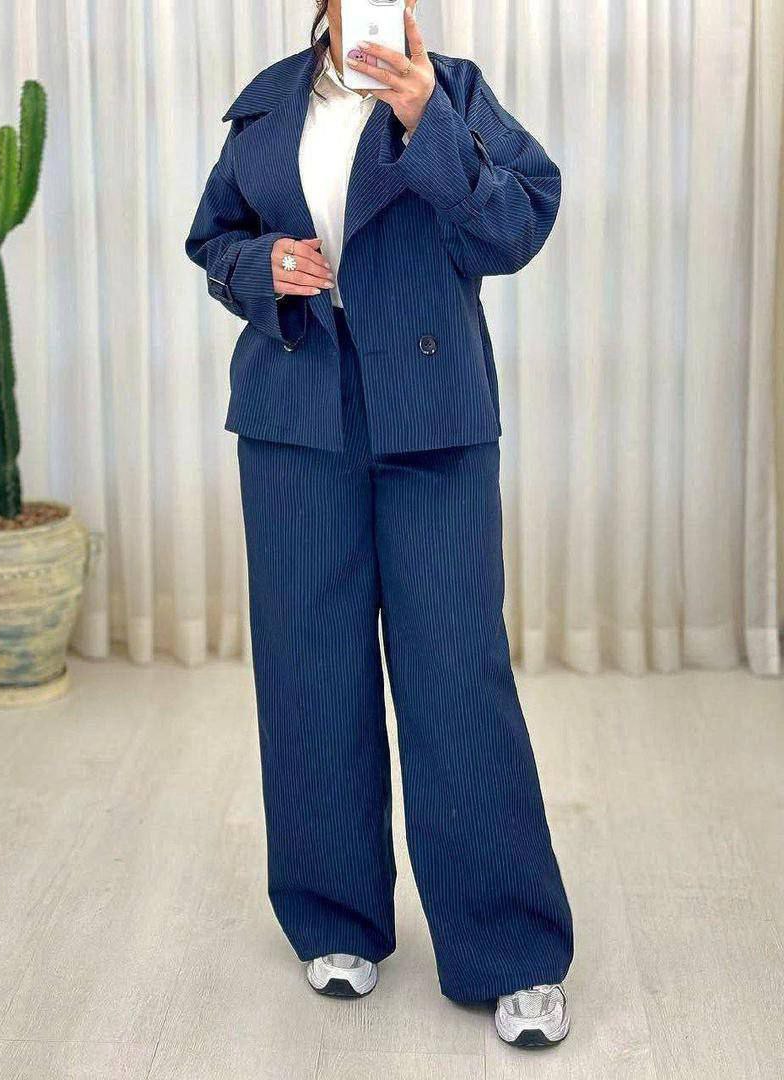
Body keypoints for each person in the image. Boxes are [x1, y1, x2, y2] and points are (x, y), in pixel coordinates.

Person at [185, 0, 573, 1049]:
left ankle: (512, 950)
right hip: (294, 412)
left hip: (433, 413)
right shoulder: (267, 105)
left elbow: (516, 229)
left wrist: (425, 122)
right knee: (309, 666)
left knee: (456, 670)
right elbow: (213, 239)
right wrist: (261, 270)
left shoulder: (452, 92)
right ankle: (333, 918)